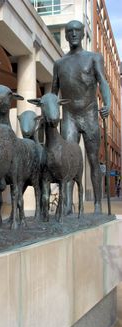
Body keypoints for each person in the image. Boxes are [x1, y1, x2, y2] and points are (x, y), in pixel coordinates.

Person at [52, 20, 111, 214]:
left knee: (93, 159)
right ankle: (68, 204)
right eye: (70, 31)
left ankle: (96, 205)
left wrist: (108, 104)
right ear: (66, 35)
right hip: (69, 115)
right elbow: (53, 93)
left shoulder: (94, 58)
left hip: (89, 114)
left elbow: (102, 82)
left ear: (83, 34)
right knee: (68, 159)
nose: (74, 34)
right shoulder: (59, 63)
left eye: (77, 30)